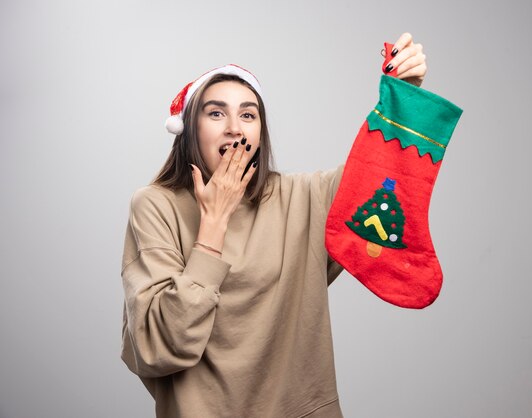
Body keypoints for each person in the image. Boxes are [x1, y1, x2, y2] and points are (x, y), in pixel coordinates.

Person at [121, 33, 428, 418]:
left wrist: (401, 99)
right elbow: (161, 346)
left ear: (260, 133)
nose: (235, 128)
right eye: (216, 113)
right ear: (189, 129)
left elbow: (374, 181)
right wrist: (213, 223)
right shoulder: (155, 205)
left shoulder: (302, 197)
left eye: (248, 115)